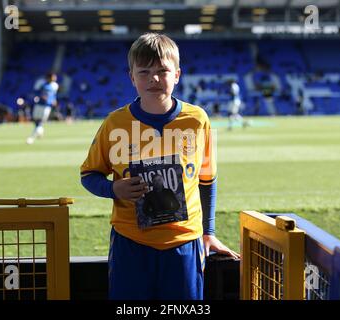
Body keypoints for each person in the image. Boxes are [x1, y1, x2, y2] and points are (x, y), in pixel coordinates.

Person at [80, 33, 239, 300]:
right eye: (144, 72)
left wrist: (208, 232)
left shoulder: (197, 120)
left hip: (184, 243)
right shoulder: (115, 123)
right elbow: (88, 174)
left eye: (162, 71)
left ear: (177, 74)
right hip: (130, 241)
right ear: (132, 77)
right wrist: (113, 188)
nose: (153, 79)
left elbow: (207, 180)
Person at [26, 72, 59, 144]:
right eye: (53, 77)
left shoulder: (55, 86)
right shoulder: (43, 85)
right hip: (39, 105)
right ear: (48, 78)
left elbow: (54, 95)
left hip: (47, 106)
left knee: (40, 121)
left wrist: (54, 100)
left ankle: (31, 138)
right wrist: (40, 96)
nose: (55, 78)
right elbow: (36, 93)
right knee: (36, 120)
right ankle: (40, 131)